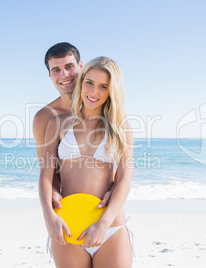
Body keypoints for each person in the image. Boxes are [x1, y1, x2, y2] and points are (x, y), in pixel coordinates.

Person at [39, 56, 134, 267]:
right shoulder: (58, 123)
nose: (93, 92)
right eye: (89, 83)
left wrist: (104, 223)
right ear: (81, 82)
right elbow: (46, 174)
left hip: (110, 226)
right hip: (67, 224)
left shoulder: (120, 126)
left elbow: (125, 178)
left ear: (112, 91)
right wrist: (49, 216)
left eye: (103, 86)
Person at [33, 43, 112, 232]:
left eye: (69, 67)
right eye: (56, 70)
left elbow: (120, 162)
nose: (64, 75)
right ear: (50, 75)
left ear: (80, 66)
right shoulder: (45, 118)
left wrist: (114, 190)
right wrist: (52, 192)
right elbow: (48, 170)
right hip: (70, 208)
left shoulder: (106, 107)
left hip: (105, 209)